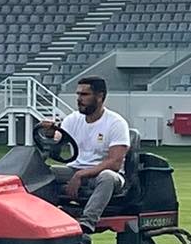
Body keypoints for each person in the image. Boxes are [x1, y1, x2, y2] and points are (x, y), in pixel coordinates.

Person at [38, 76, 131, 226]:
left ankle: (87, 221)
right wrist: (49, 133)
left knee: (107, 177)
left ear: (100, 96)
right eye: (78, 94)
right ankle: (39, 217)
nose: (79, 99)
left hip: (104, 175)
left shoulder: (116, 123)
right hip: (74, 169)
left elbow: (114, 162)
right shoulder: (72, 120)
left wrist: (81, 174)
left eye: (84, 95)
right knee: (40, 172)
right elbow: (58, 139)